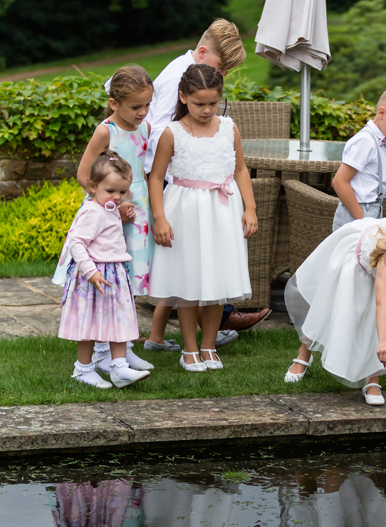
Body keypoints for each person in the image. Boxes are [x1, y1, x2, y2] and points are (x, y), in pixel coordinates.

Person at [132, 18, 270, 347]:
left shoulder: (198, 83)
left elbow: (238, 167)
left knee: (202, 260)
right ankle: (212, 326)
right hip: (177, 183)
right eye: (221, 68)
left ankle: (189, 331)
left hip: (200, 186)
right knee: (188, 265)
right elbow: (159, 132)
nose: (221, 76)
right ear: (204, 52)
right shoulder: (177, 78)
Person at [147, 64, 258, 373]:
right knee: (189, 281)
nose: (207, 110)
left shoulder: (229, 128)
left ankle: (209, 346)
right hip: (185, 211)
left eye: (213, 103)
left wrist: (250, 207)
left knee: (217, 279)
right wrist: (159, 218)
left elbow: (240, 169)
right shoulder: (172, 133)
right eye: (199, 104)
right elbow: (155, 178)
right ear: (183, 97)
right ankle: (189, 348)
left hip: (223, 211)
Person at [283, 211, 386, 405]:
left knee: (379, 320)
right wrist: (385, 342)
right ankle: (304, 355)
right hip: (355, 268)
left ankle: (373, 379)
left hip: (383, 276)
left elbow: (384, 303)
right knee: (329, 308)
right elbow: (382, 303)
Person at [70, 64, 157, 377]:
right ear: (114, 103)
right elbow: (84, 174)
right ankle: (103, 352)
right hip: (108, 214)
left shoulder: (145, 128)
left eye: (147, 105)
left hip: (136, 213)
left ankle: (124, 347)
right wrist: (111, 206)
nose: (143, 112)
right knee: (108, 277)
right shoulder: (106, 131)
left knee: (127, 279)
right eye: (135, 107)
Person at [56, 149, 151, 388]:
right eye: (110, 191)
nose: (117, 197)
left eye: (122, 192)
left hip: (114, 273)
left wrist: (122, 215)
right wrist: (91, 272)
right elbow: (77, 243)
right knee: (89, 324)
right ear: (92, 187)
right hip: (95, 275)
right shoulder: (91, 212)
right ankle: (83, 369)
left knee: (119, 321)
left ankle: (119, 367)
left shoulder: (108, 209)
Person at [330, 86, 386, 231]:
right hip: (356, 214)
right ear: (381, 113)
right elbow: (340, 181)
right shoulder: (365, 141)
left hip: (373, 209)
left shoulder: (381, 140)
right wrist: (361, 218)